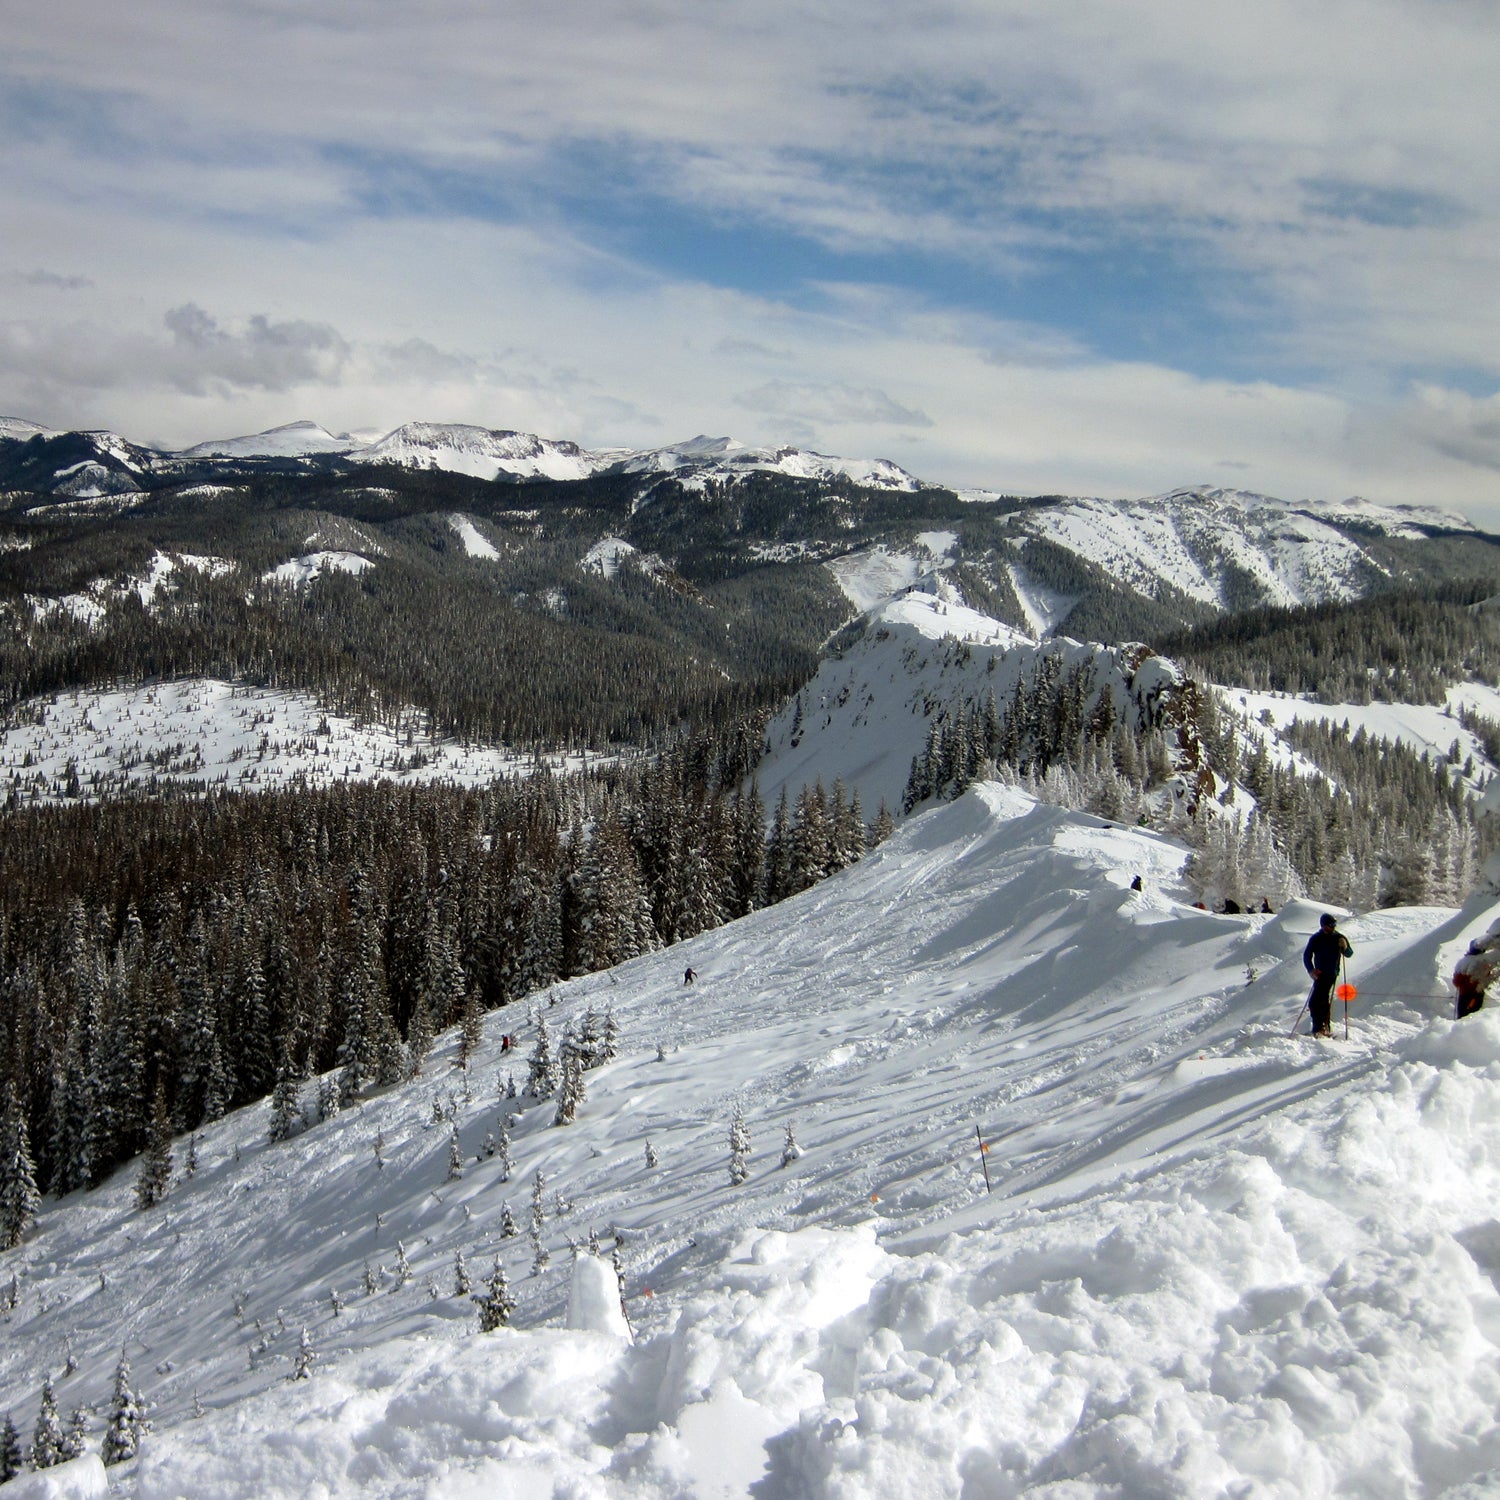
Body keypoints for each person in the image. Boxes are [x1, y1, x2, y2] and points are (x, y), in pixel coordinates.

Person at [1303, 912, 1353, 1037]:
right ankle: (1322, 1028)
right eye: (1329, 925)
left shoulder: (1339, 938)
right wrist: (1311, 970)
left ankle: (1319, 1028)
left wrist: (1345, 946)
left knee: (1316, 1001)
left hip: (1331, 973)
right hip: (1319, 974)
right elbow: (1307, 956)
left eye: (1333, 925)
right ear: (1323, 925)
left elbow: (1349, 953)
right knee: (1321, 1000)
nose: (1331, 928)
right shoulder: (1316, 938)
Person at [1454, 938, 1499, 1018]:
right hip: (1478, 993)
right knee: (1474, 1015)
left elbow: (1457, 981)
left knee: (1463, 1016)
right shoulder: (1485, 960)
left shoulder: (1463, 962)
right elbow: (1487, 976)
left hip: (1465, 994)